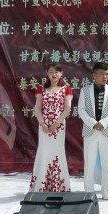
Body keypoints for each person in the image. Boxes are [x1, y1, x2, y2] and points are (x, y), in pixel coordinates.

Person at [77, 62, 108, 200]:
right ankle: (89, 191)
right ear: (94, 75)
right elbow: (81, 110)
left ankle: (106, 191)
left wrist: (104, 123)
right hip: (90, 131)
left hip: (106, 131)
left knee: (107, 163)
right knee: (89, 163)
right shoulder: (85, 91)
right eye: (101, 74)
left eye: (106, 74)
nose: (104, 76)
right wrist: (93, 123)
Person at [30, 64, 73, 192]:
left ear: (61, 73)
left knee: (57, 152)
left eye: (57, 72)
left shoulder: (66, 89)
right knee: (44, 152)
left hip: (58, 127)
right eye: (51, 72)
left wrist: (56, 123)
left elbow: (67, 109)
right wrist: (42, 123)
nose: (54, 74)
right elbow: (37, 108)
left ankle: (58, 186)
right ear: (47, 73)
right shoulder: (41, 88)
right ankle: (41, 186)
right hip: (44, 126)